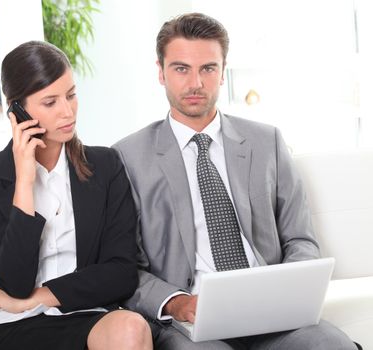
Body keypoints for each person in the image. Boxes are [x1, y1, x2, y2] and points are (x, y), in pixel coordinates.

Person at [113, 13, 359, 350]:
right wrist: (175, 302)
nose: (195, 83)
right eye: (181, 68)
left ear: (223, 69)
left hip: (274, 313)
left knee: (333, 346)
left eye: (208, 68)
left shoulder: (267, 141)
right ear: (161, 72)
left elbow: (300, 238)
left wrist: (288, 289)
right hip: (190, 320)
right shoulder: (127, 157)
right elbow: (124, 267)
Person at [0, 41, 152, 350]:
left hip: (84, 313)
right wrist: (25, 181)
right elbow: (14, 283)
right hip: (11, 326)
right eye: (50, 102)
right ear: (17, 110)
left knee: (131, 328)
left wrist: (36, 298)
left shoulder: (105, 166)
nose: (67, 111)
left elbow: (121, 273)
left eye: (71, 95)